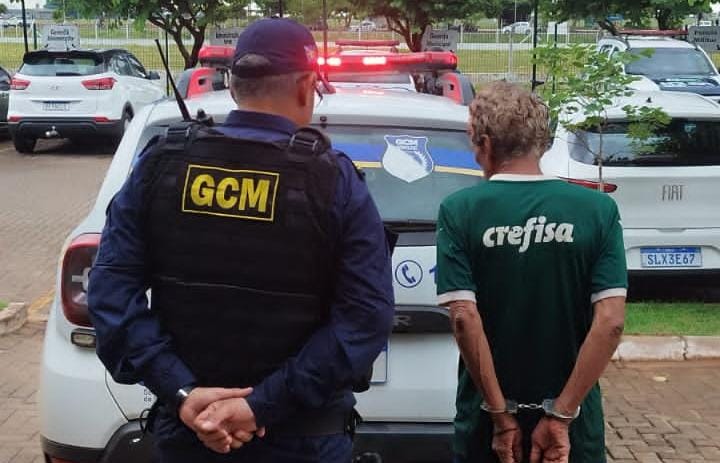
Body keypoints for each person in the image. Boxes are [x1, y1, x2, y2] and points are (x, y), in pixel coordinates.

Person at [88, 18, 394, 463]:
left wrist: (182, 391)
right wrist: (259, 406)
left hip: (191, 433)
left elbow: (110, 294)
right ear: (305, 86)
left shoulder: (160, 166)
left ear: (233, 87)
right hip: (303, 441)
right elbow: (365, 318)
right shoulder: (333, 181)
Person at [436, 81, 627, 463]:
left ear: (484, 143)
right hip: (574, 426)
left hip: (485, 423)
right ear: (541, 143)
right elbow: (610, 322)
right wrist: (561, 415)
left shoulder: (460, 210)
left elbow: (463, 318)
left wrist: (500, 416)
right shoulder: (597, 210)